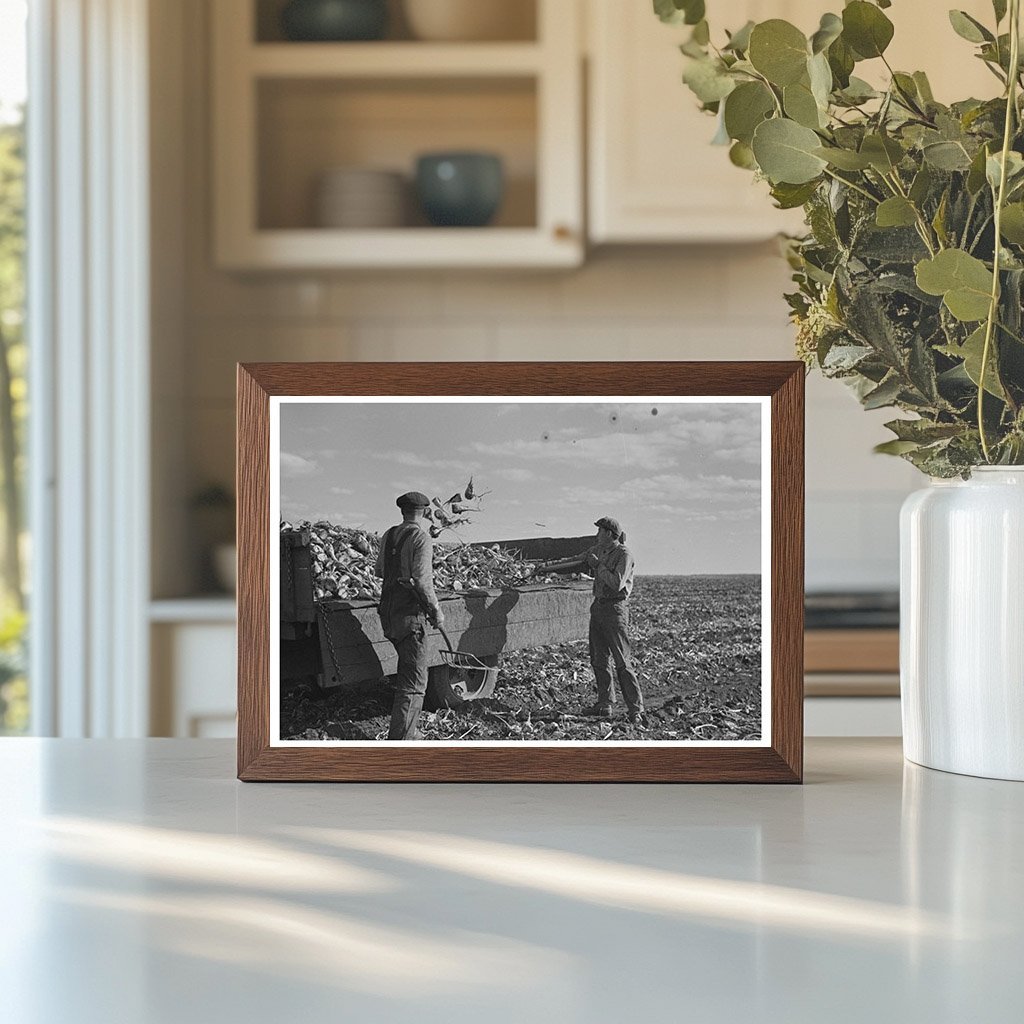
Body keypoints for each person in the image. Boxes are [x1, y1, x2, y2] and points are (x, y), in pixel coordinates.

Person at [540, 517, 645, 727]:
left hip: (615, 609)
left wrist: (598, 566)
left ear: (609, 533)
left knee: (622, 662)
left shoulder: (624, 554)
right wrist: (544, 568)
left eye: (600, 531)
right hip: (598, 607)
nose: (597, 534)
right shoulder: (598, 549)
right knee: (599, 659)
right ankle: (604, 704)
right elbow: (574, 561)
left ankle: (636, 709)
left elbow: (617, 583)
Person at [374, 491, 444, 740]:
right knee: (414, 684)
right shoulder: (421, 538)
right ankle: (402, 740)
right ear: (425, 512)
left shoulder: (389, 535)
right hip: (410, 617)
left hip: (388, 614)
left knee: (407, 673)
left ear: (402, 512)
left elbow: (380, 571)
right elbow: (423, 581)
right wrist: (436, 612)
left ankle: (405, 732)